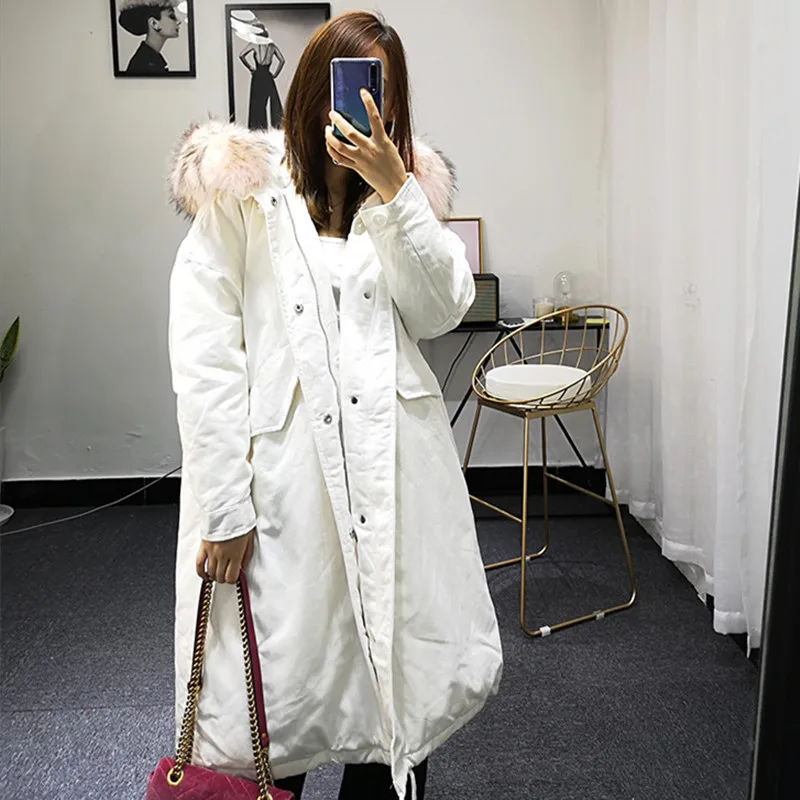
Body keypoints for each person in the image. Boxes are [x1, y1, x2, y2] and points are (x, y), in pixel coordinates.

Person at [167, 9, 502, 800]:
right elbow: (206, 360)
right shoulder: (245, 197)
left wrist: (397, 193)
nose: (363, 106)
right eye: (350, 85)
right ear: (313, 91)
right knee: (276, 711)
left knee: (390, 700)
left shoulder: (402, 199)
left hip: (393, 487)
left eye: (382, 89)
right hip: (282, 499)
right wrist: (224, 507)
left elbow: (441, 309)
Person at [237, 23, 286, 129]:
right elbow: (282, 60)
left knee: (257, 106)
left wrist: (250, 68)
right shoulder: (272, 46)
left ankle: (259, 129)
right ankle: (273, 128)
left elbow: (241, 55)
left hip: (258, 77)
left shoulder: (254, 44)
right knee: (270, 104)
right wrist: (275, 74)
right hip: (268, 77)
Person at [118, 0, 181, 75]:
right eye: (172, 16)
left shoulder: (147, 59)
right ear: (154, 23)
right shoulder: (144, 64)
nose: (179, 21)